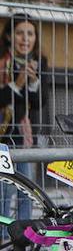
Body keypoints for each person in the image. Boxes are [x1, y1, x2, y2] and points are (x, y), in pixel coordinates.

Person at [0, 14, 45, 220]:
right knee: (4, 192)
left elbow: (39, 102)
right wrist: (17, 84)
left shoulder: (38, 62)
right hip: (2, 135)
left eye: (30, 33)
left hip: (22, 134)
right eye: (20, 33)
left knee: (26, 189)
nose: (25, 38)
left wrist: (34, 82)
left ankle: (25, 237)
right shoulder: (2, 62)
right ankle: (2, 239)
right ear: (9, 36)